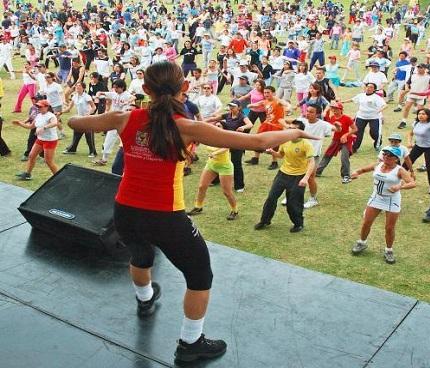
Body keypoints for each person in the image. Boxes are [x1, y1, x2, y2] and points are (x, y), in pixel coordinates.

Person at [67, 62, 317, 365]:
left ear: (145, 90)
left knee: (140, 254)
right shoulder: (187, 127)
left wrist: (83, 114)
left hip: (125, 210)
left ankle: (145, 299)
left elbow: (76, 124)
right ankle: (190, 343)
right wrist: (294, 132)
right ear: (183, 87)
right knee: (200, 274)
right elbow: (258, 142)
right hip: (165, 217)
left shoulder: (124, 119)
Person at [350, 146, 416, 263]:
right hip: (377, 197)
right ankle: (362, 243)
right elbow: (362, 170)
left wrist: (400, 186)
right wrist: (355, 173)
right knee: (366, 222)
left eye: (389, 155)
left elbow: (412, 183)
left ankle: (389, 250)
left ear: (396, 159)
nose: (385, 156)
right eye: (385, 154)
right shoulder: (378, 165)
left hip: (392, 200)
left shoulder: (399, 170)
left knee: (389, 228)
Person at [254, 120, 315, 233]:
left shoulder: (306, 144)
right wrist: (272, 152)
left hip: (298, 177)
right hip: (283, 174)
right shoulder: (285, 141)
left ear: (300, 132)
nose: (289, 130)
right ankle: (265, 221)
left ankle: (298, 223)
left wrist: (305, 178)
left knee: (293, 203)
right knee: (271, 198)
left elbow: (311, 162)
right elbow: (280, 155)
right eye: (289, 128)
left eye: (293, 129)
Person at [204, 100, 253, 192]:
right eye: (230, 106)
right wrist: (202, 122)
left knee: (236, 163)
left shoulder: (242, 116)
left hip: (237, 143)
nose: (231, 108)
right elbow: (213, 119)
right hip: (226, 141)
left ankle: (239, 186)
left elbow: (250, 124)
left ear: (239, 108)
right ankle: (215, 180)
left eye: (233, 106)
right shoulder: (227, 115)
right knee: (219, 160)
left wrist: (243, 127)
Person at [245, 86, 291, 169]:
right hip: (266, 124)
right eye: (265, 92)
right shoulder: (265, 101)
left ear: (273, 93)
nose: (266, 94)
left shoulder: (277, 101)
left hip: (277, 125)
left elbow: (286, 103)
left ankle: (274, 162)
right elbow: (258, 104)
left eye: (268, 92)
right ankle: (255, 158)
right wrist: (250, 105)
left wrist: (288, 107)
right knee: (258, 139)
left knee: (274, 143)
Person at [13, 100, 59, 180]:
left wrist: (44, 127)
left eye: (40, 106)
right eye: (37, 106)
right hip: (40, 139)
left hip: (50, 141)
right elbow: (31, 126)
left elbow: (55, 123)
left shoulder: (51, 116)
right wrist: (20, 123)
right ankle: (27, 174)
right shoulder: (38, 116)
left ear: (46, 107)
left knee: (48, 161)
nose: (38, 108)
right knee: (31, 156)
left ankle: (59, 177)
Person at [315, 101, 357, 183]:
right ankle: (318, 171)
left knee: (344, 157)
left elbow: (355, 129)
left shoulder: (347, 118)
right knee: (327, 155)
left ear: (341, 109)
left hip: (346, 140)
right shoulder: (332, 118)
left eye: (336, 109)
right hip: (336, 140)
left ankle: (346, 176)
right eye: (333, 108)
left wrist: (346, 135)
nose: (334, 110)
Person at [342, 82, 387, 152]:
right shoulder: (361, 95)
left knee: (374, 132)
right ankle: (354, 148)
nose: (369, 88)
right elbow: (352, 99)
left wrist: (380, 111)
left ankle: (377, 144)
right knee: (357, 132)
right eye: (367, 87)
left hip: (374, 117)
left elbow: (385, 105)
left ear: (374, 89)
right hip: (361, 116)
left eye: (371, 87)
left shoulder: (376, 98)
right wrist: (343, 102)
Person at [61, 82, 97, 157]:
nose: (77, 87)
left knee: (89, 136)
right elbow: (69, 108)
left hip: (87, 119)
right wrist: (60, 112)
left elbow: (94, 107)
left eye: (79, 86)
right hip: (79, 119)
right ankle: (72, 149)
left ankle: (92, 152)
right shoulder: (75, 96)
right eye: (76, 86)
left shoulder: (87, 96)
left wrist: (89, 114)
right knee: (76, 135)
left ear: (83, 88)